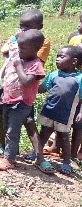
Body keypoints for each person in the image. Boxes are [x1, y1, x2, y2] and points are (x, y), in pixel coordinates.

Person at [0, 9, 49, 158]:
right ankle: (4, 147)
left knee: (28, 121)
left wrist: (18, 50)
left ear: (39, 26)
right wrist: (16, 38)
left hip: (24, 93)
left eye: (28, 27)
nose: (23, 29)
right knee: (3, 118)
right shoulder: (19, 39)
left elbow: (34, 59)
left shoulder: (41, 42)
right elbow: (4, 50)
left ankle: (38, 155)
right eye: (22, 26)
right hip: (9, 87)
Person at [33, 45, 82, 175]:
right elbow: (42, 88)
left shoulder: (80, 78)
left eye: (62, 56)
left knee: (64, 137)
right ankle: (36, 153)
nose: (57, 59)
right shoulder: (54, 74)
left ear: (74, 61)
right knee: (43, 133)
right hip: (49, 110)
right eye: (57, 56)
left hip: (65, 114)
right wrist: (34, 78)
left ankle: (66, 162)